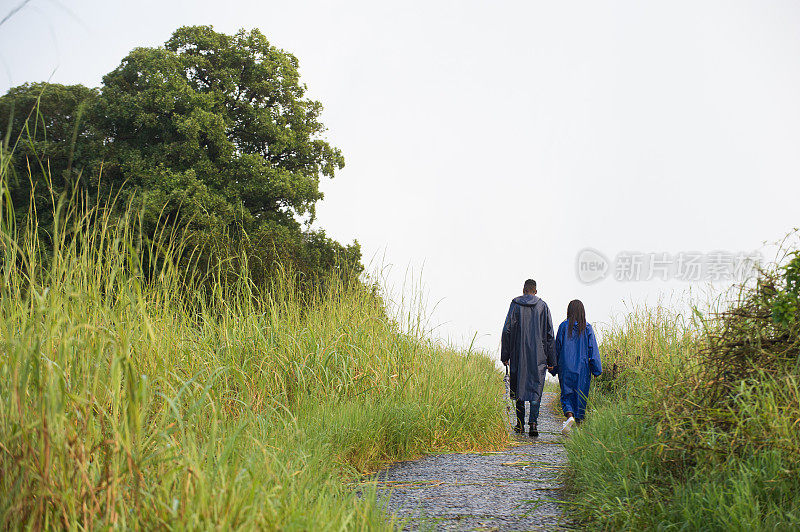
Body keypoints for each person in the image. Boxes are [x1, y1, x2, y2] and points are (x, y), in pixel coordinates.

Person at [501, 279, 556, 437]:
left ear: (523, 290)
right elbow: (549, 334)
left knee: (519, 387)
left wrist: (505, 355)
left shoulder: (515, 304)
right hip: (539, 355)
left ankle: (519, 424)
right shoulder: (543, 306)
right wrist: (551, 360)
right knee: (535, 388)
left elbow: (507, 330)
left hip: (518, 354)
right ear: (535, 291)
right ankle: (533, 424)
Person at [553, 299, 602, 436]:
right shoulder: (587, 328)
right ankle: (578, 428)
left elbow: (557, 348)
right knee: (581, 395)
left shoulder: (563, 327)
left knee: (567, 394)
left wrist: (553, 368)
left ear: (569, 311)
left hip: (566, 366)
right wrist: (596, 369)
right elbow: (593, 350)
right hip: (583, 368)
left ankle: (569, 417)